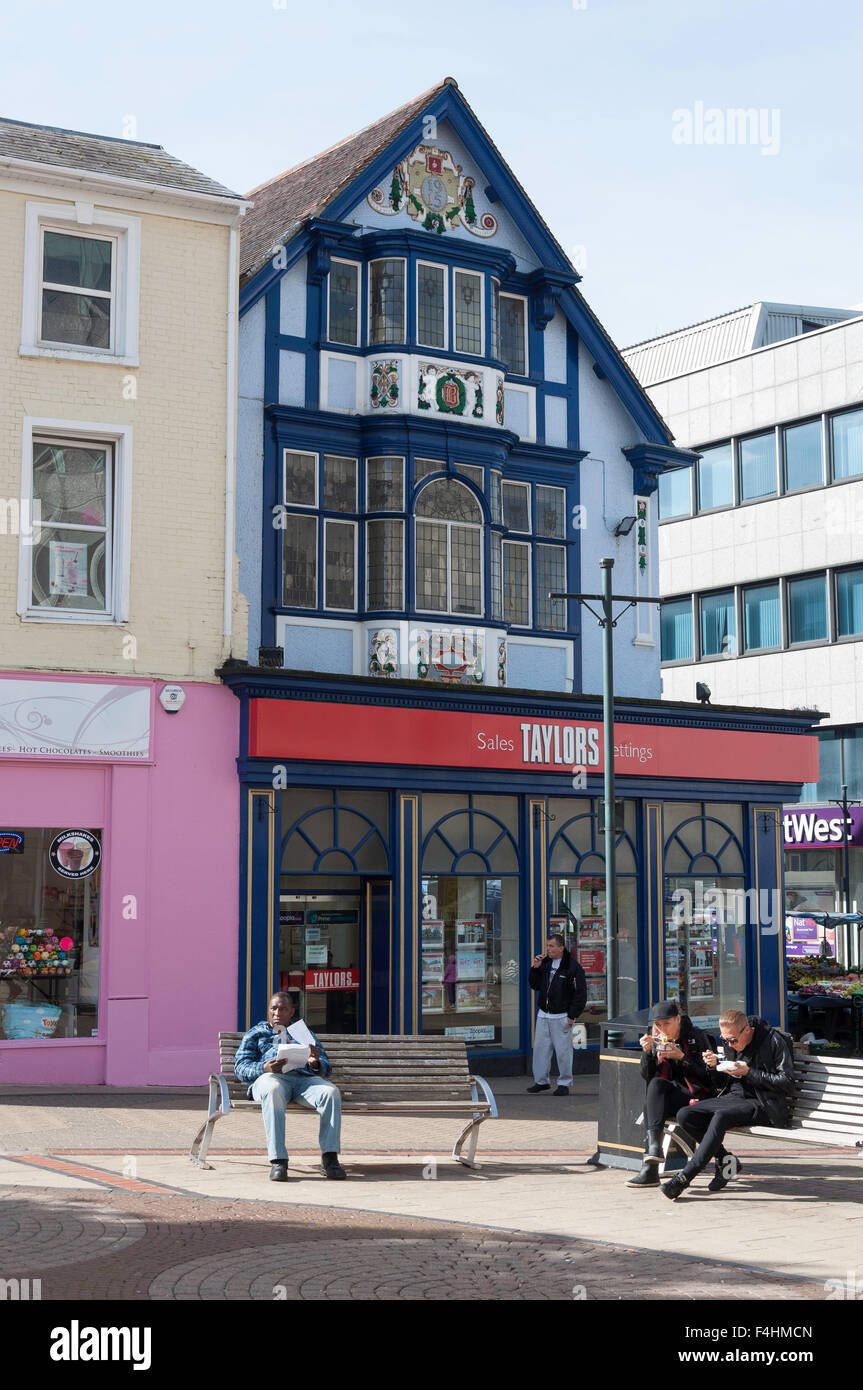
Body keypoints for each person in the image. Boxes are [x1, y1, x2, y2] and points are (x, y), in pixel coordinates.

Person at [661, 1008, 795, 1200]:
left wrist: (750, 1073)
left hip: (765, 1103)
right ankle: (725, 1160)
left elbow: (787, 1083)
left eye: (733, 1040)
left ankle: (684, 1177)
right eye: (725, 1040)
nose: (730, 1044)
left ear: (747, 1030)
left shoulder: (773, 1040)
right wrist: (714, 1067)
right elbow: (721, 1084)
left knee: (721, 1116)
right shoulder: (732, 1043)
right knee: (685, 1114)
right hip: (733, 1098)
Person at [233, 990, 346, 1181]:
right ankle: (279, 1161)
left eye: (283, 1009)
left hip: (303, 1081)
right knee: (273, 1089)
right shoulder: (256, 1033)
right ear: (268, 1010)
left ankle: (330, 1159)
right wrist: (264, 1067)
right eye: (273, 1008)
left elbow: (326, 1066)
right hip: (271, 1079)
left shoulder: (302, 1033)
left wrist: (315, 1062)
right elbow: (240, 1067)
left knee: (330, 1092)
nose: (277, 1013)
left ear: (291, 1012)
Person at [627, 1000, 717, 1187]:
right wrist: (647, 1053)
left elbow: (711, 1079)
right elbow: (647, 1075)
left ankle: (650, 1167)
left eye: (666, 1023)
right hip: (674, 1095)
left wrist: (682, 1058)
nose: (662, 1029)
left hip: (699, 1095)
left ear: (678, 1019)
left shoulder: (697, 1037)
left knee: (652, 1102)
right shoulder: (657, 1038)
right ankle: (654, 1152)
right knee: (655, 1086)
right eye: (657, 1025)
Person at [527, 933, 587, 1097]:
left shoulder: (572, 967)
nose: (548, 949)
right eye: (547, 946)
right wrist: (535, 968)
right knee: (540, 1049)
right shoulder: (544, 964)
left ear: (561, 948)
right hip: (543, 1015)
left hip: (562, 1016)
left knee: (563, 1052)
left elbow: (580, 994)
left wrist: (572, 1014)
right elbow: (534, 985)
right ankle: (541, 1082)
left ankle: (564, 1083)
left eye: (552, 946)